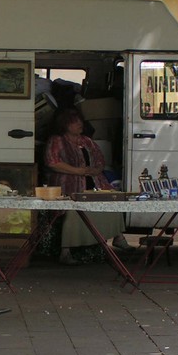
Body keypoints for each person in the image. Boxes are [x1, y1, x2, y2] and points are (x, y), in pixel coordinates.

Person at [44, 107, 131, 265]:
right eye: (75, 122)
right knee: (73, 210)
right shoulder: (57, 140)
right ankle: (66, 251)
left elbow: (99, 160)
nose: (79, 124)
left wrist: (95, 170)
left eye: (80, 121)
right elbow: (53, 162)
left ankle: (118, 236)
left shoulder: (87, 141)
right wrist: (78, 171)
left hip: (94, 181)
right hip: (69, 182)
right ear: (65, 124)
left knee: (112, 198)